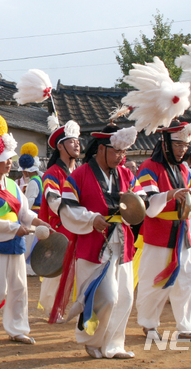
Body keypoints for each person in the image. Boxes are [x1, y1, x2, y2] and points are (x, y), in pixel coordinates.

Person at [57, 124, 142, 359]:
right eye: (116, 151)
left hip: (121, 241)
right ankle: (91, 339)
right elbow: (68, 208)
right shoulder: (80, 175)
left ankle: (114, 344)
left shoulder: (127, 175)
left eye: (123, 153)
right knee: (104, 297)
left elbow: (139, 202)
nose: (120, 157)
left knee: (124, 297)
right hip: (94, 245)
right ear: (100, 149)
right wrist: (91, 218)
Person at [0, 113, 49, 344]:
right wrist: (16, 228)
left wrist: (37, 222)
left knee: (19, 288)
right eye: (4, 159)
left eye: (9, 158)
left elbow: (24, 212)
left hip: (14, 242)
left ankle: (17, 329)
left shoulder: (13, 185)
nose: (9, 162)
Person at [135, 121, 191, 341]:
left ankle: (186, 327)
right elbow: (148, 203)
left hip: (183, 232)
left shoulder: (184, 169)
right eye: (178, 144)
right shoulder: (148, 167)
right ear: (165, 143)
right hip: (159, 234)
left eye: (185, 145)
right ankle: (149, 324)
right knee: (153, 281)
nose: (183, 149)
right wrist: (171, 194)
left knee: (188, 279)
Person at [38, 117, 81, 318]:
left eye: (77, 141)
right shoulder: (53, 173)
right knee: (57, 271)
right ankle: (52, 308)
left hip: (80, 226)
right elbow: (53, 200)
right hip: (62, 227)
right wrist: (75, 213)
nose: (77, 144)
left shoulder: (80, 172)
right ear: (61, 146)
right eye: (72, 141)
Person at [17, 142, 42, 276]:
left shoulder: (33, 182)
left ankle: (25, 266)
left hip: (33, 213)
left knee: (28, 242)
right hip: (37, 213)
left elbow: (28, 202)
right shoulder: (39, 179)